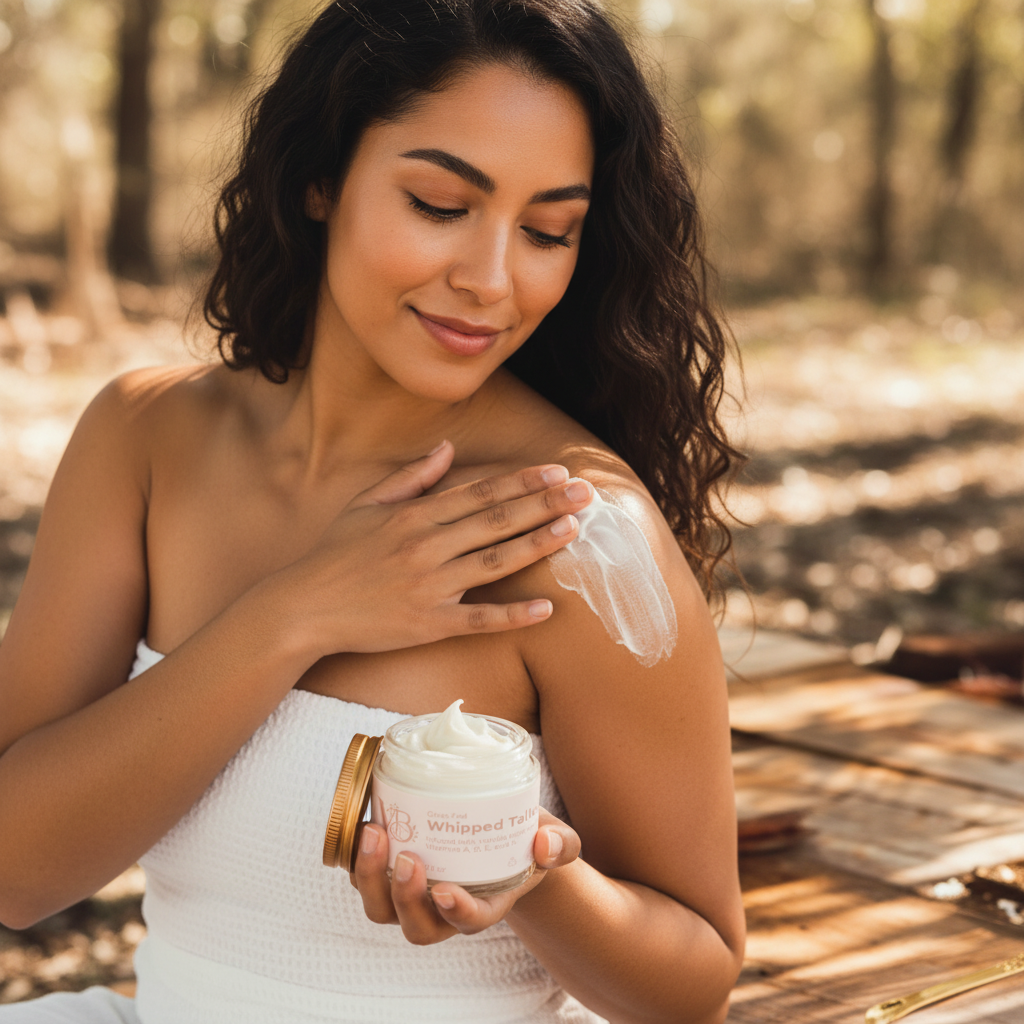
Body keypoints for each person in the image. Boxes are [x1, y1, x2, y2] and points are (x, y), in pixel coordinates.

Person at [0, 1, 745, 1021]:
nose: (491, 280)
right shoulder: (146, 439)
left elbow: (695, 982)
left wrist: (526, 877)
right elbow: (16, 870)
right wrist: (294, 615)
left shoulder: (572, 529)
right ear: (320, 177)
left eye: (547, 231)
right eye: (440, 204)